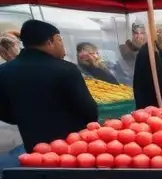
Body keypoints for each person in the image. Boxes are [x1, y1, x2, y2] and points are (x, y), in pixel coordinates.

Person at [0, 19, 97, 150]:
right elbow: (89, 111)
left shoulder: (4, 71)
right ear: (52, 41)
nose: (63, 48)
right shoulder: (66, 69)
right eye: (60, 41)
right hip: (73, 147)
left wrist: (27, 119)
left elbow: (4, 112)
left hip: (34, 148)